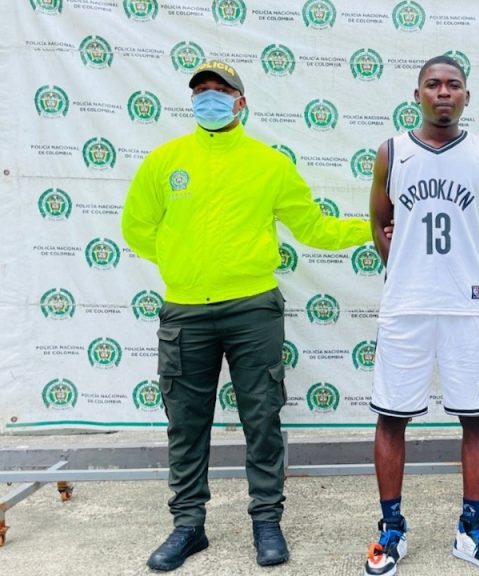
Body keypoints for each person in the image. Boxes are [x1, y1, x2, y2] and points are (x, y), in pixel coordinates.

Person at [121, 60, 371, 571]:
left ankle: (266, 521)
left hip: (253, 308)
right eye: (201, 91)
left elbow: (315, 229)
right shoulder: (165, 161)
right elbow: (136, 228)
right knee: (186, 423)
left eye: (220, 90)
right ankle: (188, 526)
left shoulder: (270, 164)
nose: (209, 98)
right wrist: (184, 263)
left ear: (241, 101)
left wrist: (377, 226)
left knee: (262, 417)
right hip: (186, 311)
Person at [363, 55, 479, 576]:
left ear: (467, 96)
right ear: (417, 94)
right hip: (406, 306)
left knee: (476, 416)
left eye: (454, 85)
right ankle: (391, 529)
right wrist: (406, 268)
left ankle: (471, 528)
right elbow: (380, 224)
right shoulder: (391, 151)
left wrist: (474, 271)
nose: (443, 92)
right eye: (433, 84)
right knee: (392, 415)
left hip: (465, 306)